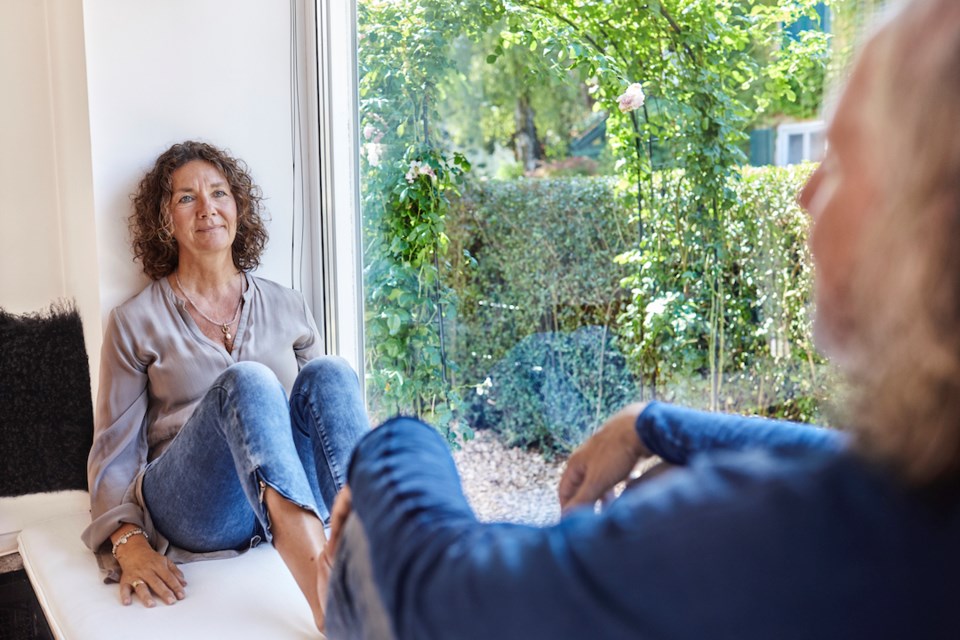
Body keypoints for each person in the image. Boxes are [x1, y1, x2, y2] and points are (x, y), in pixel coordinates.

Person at [320, 1, 960, 638]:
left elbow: (447, 595)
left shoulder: (796, 536)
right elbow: (846, 459)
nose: (802, 192)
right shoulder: (922, 499)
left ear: (932, 222)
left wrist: (391, 443)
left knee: (365, 543)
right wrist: (651, 423)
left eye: (842, 161)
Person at [81, 140, 368, 631]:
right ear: (165, 220)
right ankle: (326, 598)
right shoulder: (134, 321)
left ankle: (385, 563)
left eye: (219, 193)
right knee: (249, 381)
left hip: (285, 491)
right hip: (199, 504)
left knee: (332, 373)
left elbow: (323, 419)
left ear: (238, 207)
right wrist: (128, 542)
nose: (208, 208)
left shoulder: (288, 304)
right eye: (186, 198)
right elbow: (114, 450)